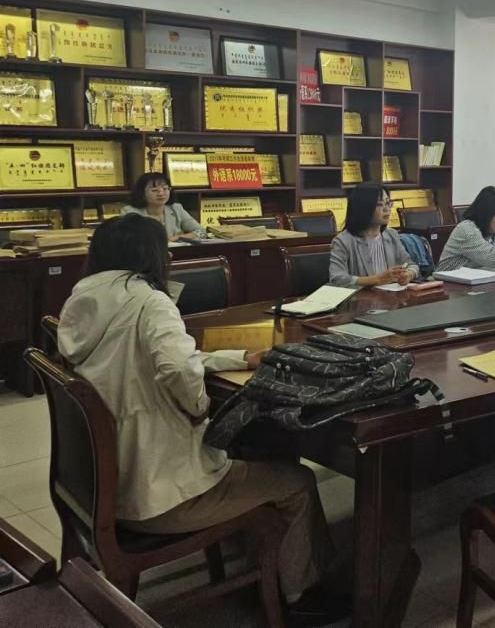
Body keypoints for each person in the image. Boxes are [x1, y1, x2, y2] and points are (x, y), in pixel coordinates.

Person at [57, 215, 340, 624]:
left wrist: (238, 358)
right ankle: (303, 596)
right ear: (150, 255)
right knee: (297, 482)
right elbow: (176, 367)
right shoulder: (149, 301)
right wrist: (198, 408)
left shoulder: (84, 301)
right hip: (161, 494)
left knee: (252, 453)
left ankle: (273, 564)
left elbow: (156, 359)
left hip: (106, 483)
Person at [328, 183, 419, 287]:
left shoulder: (391, 235)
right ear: (363, 208)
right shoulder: (343, 241)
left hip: (390, 295)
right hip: (362, 296)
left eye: (388, 203)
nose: (387, 209)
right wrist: (376, 280)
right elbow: (337, 278)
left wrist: (409, 274)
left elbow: (411, 265)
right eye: (379, 204)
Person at [122, 172, 206, 242]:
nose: (161, 193)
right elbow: (126, 239)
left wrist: (177, 237)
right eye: (154, 190)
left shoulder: (176, 209)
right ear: (142, 193)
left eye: (165, 189)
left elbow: (201, 231)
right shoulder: (130, 212)